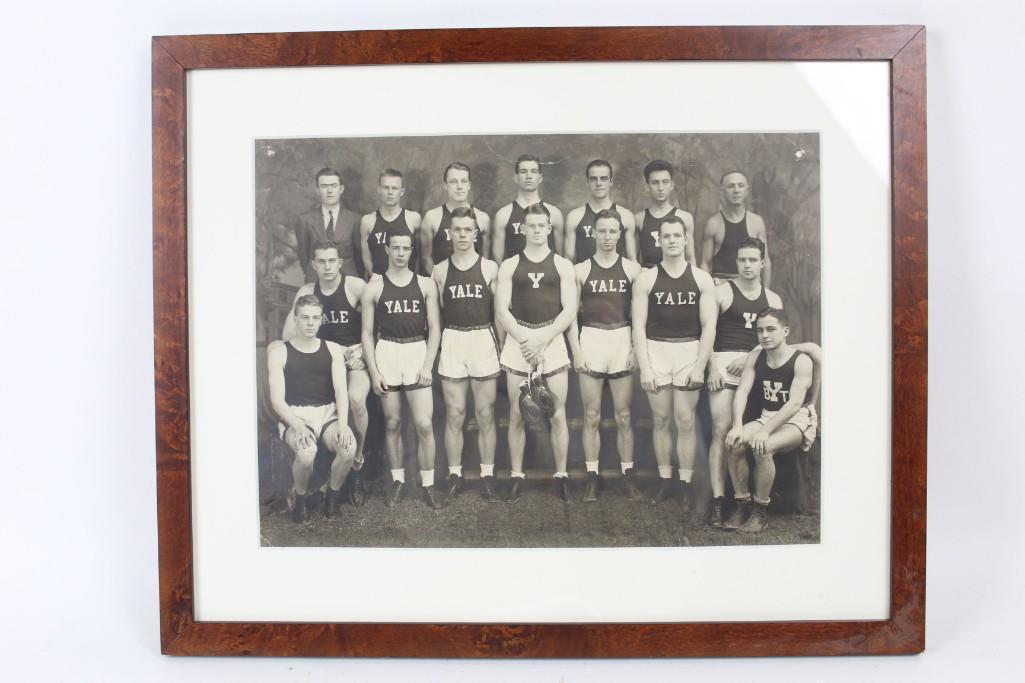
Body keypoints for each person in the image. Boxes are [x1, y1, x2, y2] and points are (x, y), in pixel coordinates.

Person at [631, 215, 717, 515]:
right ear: (659, 240)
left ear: (684, 239)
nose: (671, 241)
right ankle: (666, 480)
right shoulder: (647, 278)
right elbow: (638, 326)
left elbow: (709, 327)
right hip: (657, 349)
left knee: (685, 420)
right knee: (661, 420)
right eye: (665, 236)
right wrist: (645, 366)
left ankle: (685, 483)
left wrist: (699, 366)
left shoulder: (702, 279)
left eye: (676, 236)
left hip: (688, 351)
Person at [495, 203, 577, 502]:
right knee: (517, 413)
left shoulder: (563, 265)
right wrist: (524, 340)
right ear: (523, 229)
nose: (537, 230)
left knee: (557, 412)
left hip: (551, 340)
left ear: (549, 228)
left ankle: (562, 476)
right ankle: (516, 476)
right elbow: (502, 310)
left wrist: (542, 338)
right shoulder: (510, 265)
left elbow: (569, 310)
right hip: (519, 341)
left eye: (542, 226)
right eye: (531, 226)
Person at [282, 241, 372, 507]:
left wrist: (365, 354)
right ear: (313, 264)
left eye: (332, 261)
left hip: (353, 357)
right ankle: (311, 469)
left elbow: (377, 323)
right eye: (321, 261)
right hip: (323, 359)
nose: (327, 267)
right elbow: (287, 333)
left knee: (356, 399)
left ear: (340, 262)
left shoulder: (355, 286)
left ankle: (356, 464)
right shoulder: (308, 290)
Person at [360, 231, 443, 509]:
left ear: (411, 251)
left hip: (416, 350)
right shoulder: (374, 286)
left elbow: (435, 329)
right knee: (393, 423)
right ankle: (397, 481)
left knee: (423, 424)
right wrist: (374, 373)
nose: (400, 253)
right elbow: (367, 334)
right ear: (387, 249)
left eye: (405, 248)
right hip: (387, 351)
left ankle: (428, 483)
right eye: (395, 247)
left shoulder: (425, 284)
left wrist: (428, 365)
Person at [705, 237, 783, 527]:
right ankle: (718, 500)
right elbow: (707, 331)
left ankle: (757, 499)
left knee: (763, 427)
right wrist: (711, 367)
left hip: (758, 365)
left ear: (762, 262)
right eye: (742, 260)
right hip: (723, 363)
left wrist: (752, 355)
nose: (747, 265)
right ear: (736, 262)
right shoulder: (721, 292)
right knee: (721, 429)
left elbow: (776, 340)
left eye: (753, 260)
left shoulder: (773, 299)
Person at [566, 209, 643, 501]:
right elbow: (571, 316)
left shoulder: (633, 270)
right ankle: (592, 477)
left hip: (622, 337)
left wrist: (636, 348)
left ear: (620, 234)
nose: (608, 237)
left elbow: (640, 317)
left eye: (613, 231)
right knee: (591, 415)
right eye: (603, 231)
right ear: (594, 234)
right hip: (592, 338)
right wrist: (576, 349)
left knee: (624, 415)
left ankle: (627, 476)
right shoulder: (580, 270)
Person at [724, 308, 818, 534]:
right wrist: (737, 424)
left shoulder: (801, 361)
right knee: (734, 443)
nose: (765, 335)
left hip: (797, 419)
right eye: (760, 330)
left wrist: (765, 431)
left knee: (762, 447)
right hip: (768, 415)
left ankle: (760, 512)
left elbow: (794, 404)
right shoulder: (756, 357)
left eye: (771, 329)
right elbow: (742, 392)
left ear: (785, 331)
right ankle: (743, 505)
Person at [431, 207, 502, 503]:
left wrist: (500, 344)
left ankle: (487, 475)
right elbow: (439, 315)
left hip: (483, 337)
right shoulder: (439, 270)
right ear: (450, 233)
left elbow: (499, 313)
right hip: (454, 338)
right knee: (455, 414)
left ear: (476, 233)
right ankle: (455, 474)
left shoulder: (489, 268)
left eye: (467, 230)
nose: (462, 235)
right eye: (456, 230)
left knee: (485, 413)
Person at [267, 295, 357, 522]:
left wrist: (344, 426)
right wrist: (298, 426)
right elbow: (277, 401)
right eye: (305, 317)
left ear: (321, 321)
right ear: (295, 320)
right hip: (294, 414)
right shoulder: (280, 352)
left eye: (315, 318)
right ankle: (300, 499)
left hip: (326, 413)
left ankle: (331, 496)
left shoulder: (333, 349)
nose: (310, 323)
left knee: (349, 448)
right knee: (307, 453)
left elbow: (341, 391)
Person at [700, 170, 772, 286]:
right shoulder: (713, 224)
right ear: (722, 191)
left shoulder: (757, 222)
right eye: (731, 186)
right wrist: (707, 294)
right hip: (721, 286)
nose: (736, 190)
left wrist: (766, 295)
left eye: (741, 186)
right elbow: (705, 263)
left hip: (750, 287)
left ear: (747, 190)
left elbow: (766, 262)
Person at [420, 162, 491, 274]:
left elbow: (486, 260)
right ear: (445, 185)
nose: (459, 186)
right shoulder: (432, 217)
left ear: (469, 185)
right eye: (453, 182)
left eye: (464, 181)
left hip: (474, 285)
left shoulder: (483, 218)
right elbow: (425, 259)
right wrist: (440, 284)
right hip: (442, 286)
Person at [492, 154, 564, 263]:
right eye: (523, 171)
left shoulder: (554, 214)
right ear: (516, 178)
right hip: (515, 277)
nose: (529, 176)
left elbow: (560, 256)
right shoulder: (503, 215)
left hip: (548, 277)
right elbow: (498, 260)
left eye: (534, 171)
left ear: (540, 178)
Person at [563, 159, 637, 263]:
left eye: (603, 179)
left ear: (611, 182)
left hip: (616, 277)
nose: (598, 183)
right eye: (593, 179)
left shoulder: (626, 216)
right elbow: (568, 261)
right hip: (584, 277)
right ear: (587, 182)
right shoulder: (574, 217)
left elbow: (632, 259)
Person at [294, 167, 360, 282]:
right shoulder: (305, 221)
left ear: (341, 189)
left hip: (348, 284)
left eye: (334, 186)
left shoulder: (355, 220)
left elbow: (360, 258)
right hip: (316, 283)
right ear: (317, 190)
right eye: (324, 186)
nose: (329, 191)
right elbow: (304, 257)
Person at [633, 160, 696, 269]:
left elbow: (690, 258)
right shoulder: (639, 219)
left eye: (665, 182)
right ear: (647, 187)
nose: (660, 188)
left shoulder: (685, 218)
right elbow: (633, 260)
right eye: (655, 183)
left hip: (677, 279)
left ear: (672, 185)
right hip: (649, 278)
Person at [359, 169, 421, 279]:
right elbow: (366, 258)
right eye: (386, 188)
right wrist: (376, 279)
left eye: (395, 188)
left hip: (407, 284)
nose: (390, 192)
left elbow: (419, 256)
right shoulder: (367, 221)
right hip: (378, 284)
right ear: (379, 190)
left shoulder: (413, 219)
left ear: (402, 191)